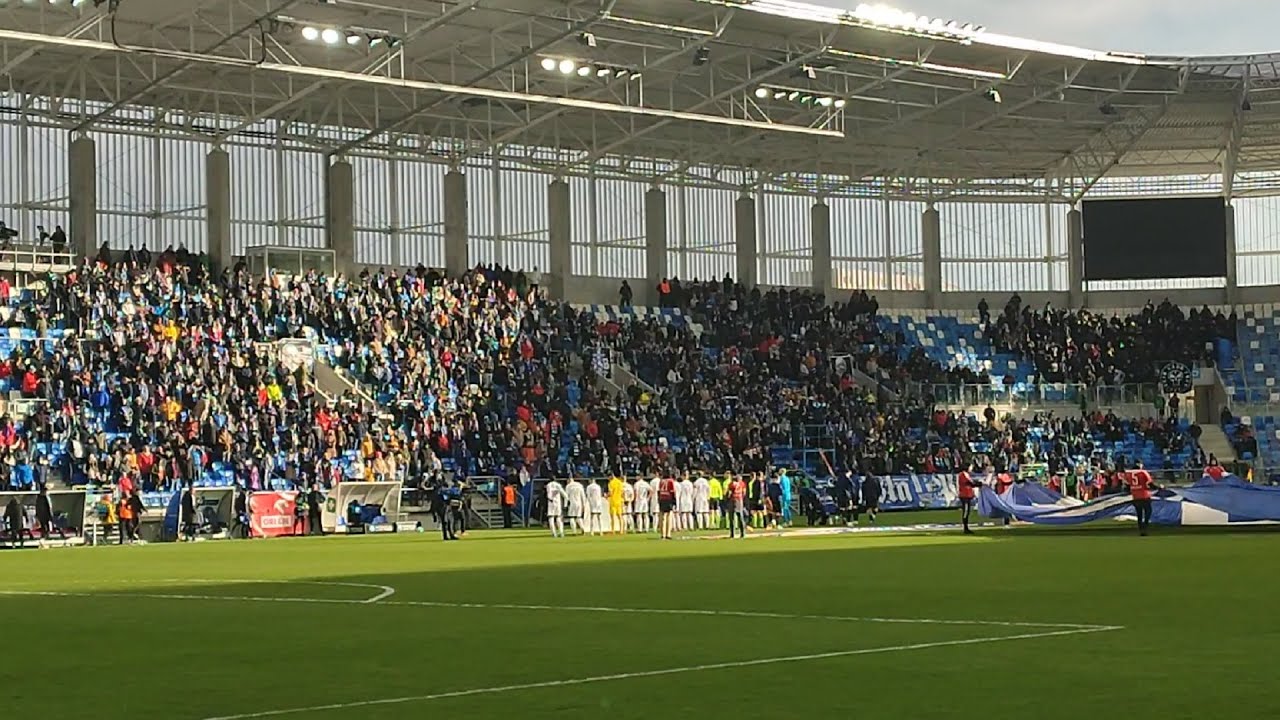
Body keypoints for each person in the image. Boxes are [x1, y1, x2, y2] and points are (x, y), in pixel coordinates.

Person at [1127, 461, 1160, 536]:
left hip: (1135, 496)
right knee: (1148, 511)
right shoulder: (1143, 472)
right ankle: (1145, 526)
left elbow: (1127, 485)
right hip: (1144, 495)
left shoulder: (1129, 473)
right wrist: (1159, 487)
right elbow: (1150, 484)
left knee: (1139, 513)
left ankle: (1140, 528)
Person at [958, 464, 981, 535]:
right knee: (966, 511)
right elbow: (969, 483)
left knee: (967, 512)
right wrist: (979, 484)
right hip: (964, 495)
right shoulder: (963, 474)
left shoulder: (966, 474)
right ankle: (965, 528)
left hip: (967, 494)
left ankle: (966, 527)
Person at [727, 474, 747, 538]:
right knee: (740, 516)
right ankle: (742, 533)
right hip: (739, 500)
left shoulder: (731, 484)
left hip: (733, 500)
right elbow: (744, 492)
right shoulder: (742, 484)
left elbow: (729, 493)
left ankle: (732, 534)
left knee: (731, 517)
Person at [657, 473, 677, 540]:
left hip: (662, 498)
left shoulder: (661, 481)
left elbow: (659, 491)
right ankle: (668, 534)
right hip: (668, 498)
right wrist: (674, 501)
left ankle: (663, 534)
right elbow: (672, 491)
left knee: (663, 517)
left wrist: (659, 500)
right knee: (669, 516)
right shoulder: (670, 481)